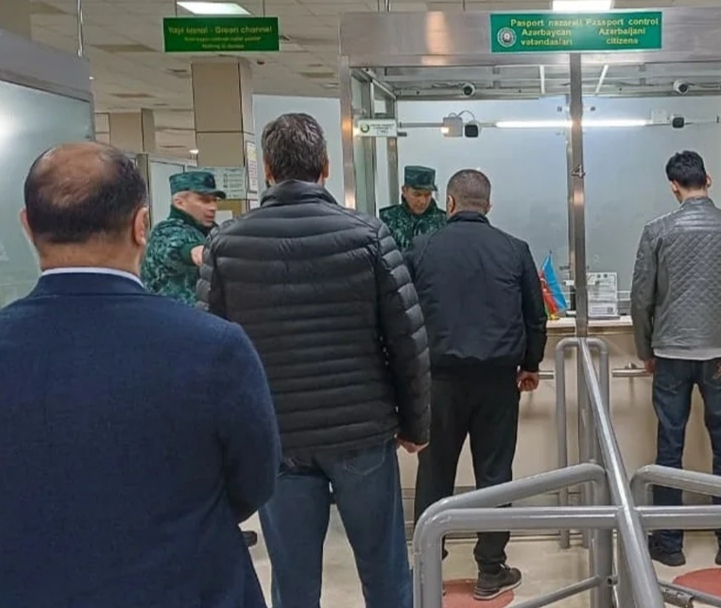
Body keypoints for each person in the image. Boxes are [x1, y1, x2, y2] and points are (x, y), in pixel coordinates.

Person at [0, 142, 279, 608]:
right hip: (191, 586)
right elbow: (253, 483)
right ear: (141, 225)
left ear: (27, 226)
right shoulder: (214, 348)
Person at [198, 113, 430, 608]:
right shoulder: (368, 236)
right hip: (361, 432)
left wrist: (224, 441)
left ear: (266, 169)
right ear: (326, 166)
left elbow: (211, 354)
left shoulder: (227, 244)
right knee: (386, 571)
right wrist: (415, 423)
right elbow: (407, 338)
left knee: (294, 581)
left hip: (278, 438)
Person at [407, 169, 546, 601]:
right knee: (495, 474)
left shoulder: (421, 248)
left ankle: (429, 565)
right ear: (488, 204)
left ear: (448, 203)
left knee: (434, 474)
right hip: (497, 381)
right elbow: (534, 316)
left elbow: (403, 316)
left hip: (438, 381)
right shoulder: (514, 249)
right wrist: (531, 364)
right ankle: (491, 570)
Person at [630, 150, 721, 568]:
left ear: (673, 185)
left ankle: (668, 543)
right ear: (709, 178)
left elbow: (640, 300)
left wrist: (645, 350)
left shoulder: (656, 232)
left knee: (670, 445)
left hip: (670, 351)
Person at [140, 171, 223, 305]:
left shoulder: (214, 231)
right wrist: (196, 252)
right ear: (180, 203)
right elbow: (174, 249)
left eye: (214, 200)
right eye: (204, 200)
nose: (213, 207)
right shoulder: (165, 231)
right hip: (169, 318)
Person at [378, 165, 448, 250]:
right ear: (404, 191)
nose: (422, 201)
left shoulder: (445, 222)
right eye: (417, 194)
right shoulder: (385, 219)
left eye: (427, 195)